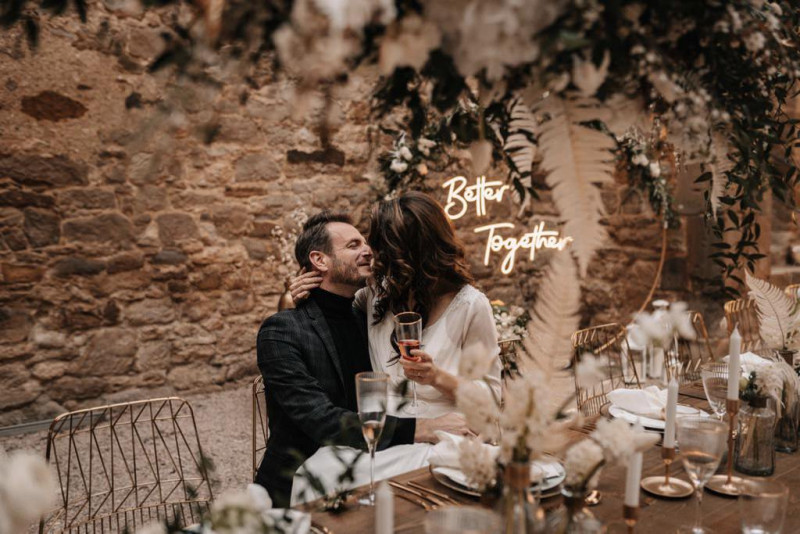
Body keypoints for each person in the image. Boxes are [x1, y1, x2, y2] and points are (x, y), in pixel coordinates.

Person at [255, 210, 470, 507]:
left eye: (366, 243)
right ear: (320, 260)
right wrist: (422, 428)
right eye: (353, 245)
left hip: (375, 462)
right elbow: (320, 420)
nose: (368, 250)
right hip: (302, 483)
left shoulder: (368, 315)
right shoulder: (281, 330)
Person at [292, 191, 502, 416]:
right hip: (386, 431)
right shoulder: (375, 295)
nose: (370, 252)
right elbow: (331, 312)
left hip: (448, 430)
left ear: (411, 250)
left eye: (379, 244)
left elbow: (491, 399)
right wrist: (302, 294)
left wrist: (436, 377)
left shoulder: (471, 306)